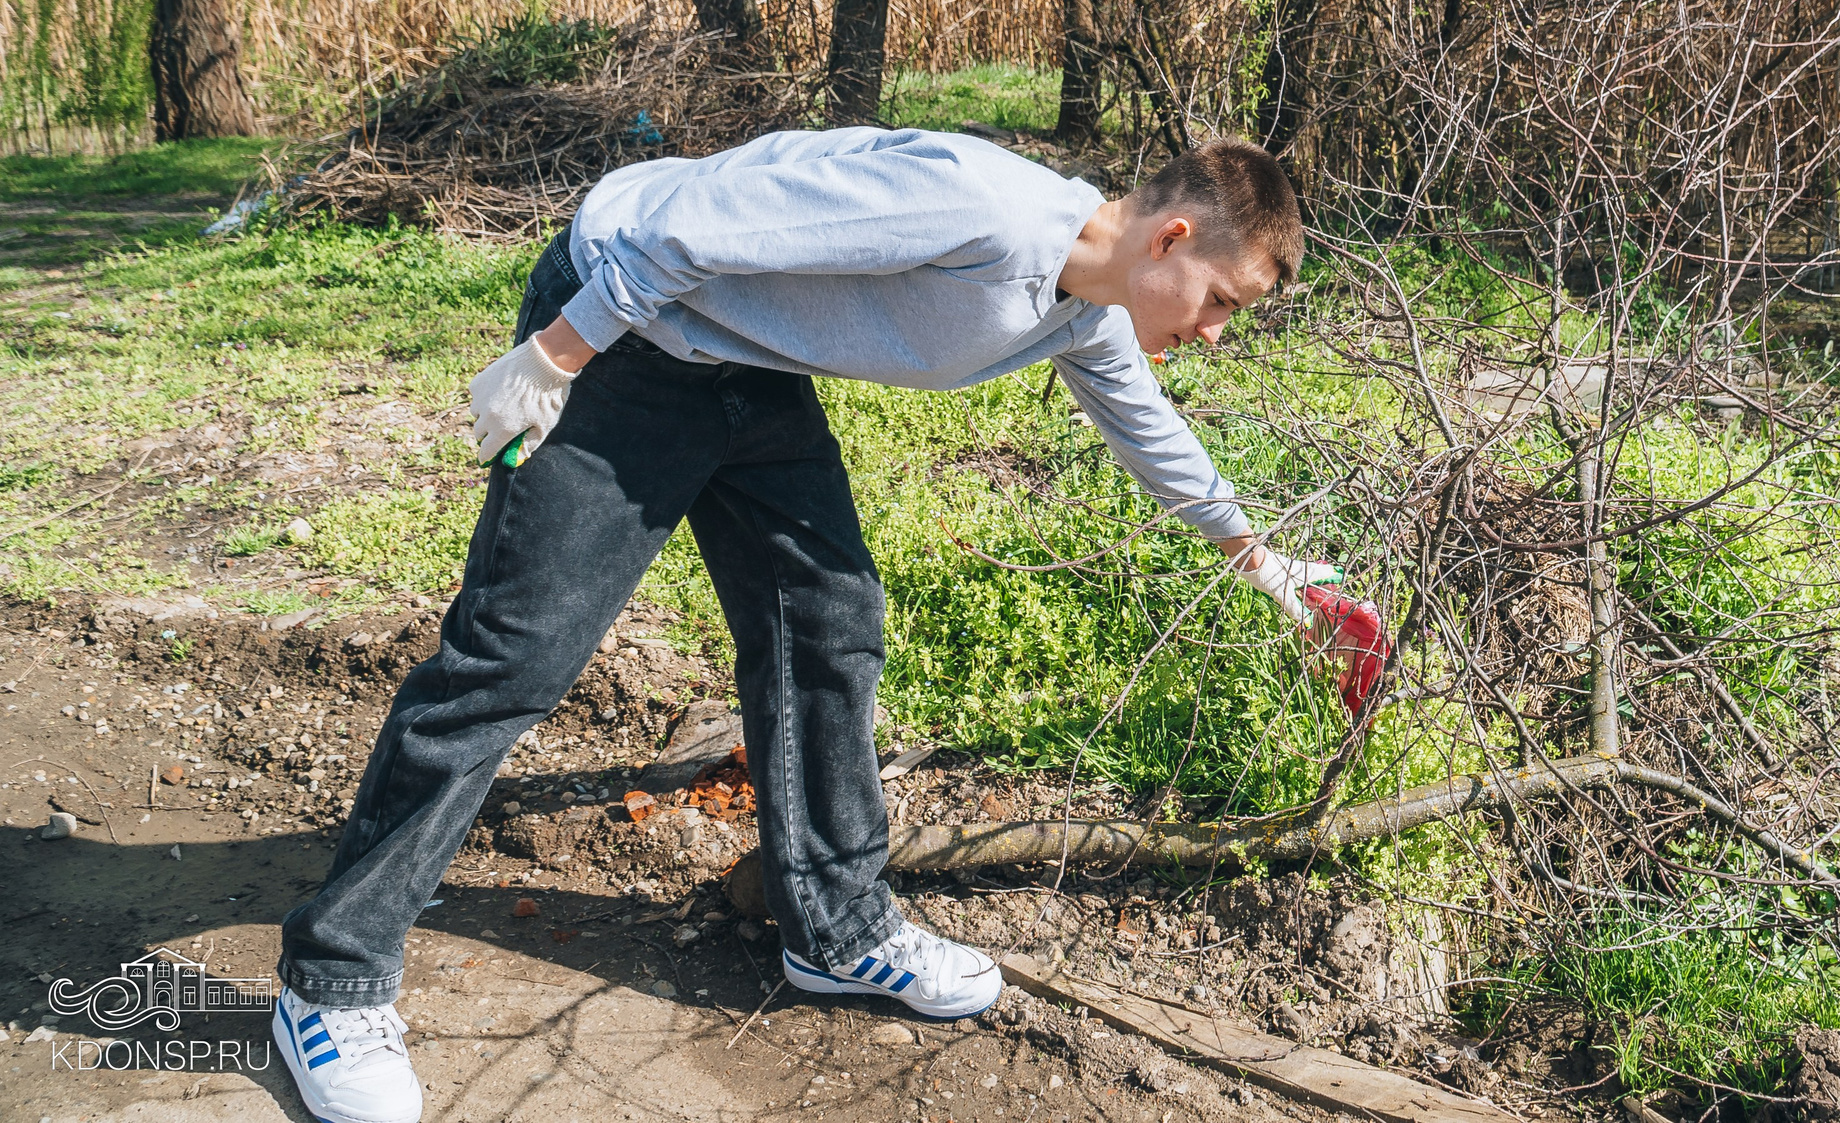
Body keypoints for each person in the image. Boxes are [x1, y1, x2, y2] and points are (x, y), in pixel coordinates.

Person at [269, 129, 1345, 1123]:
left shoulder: (1091, 310)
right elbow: (686, 229)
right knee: (512, 657)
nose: (1210, 335)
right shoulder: (977, 206)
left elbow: (1150, 436)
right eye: (1218, 302)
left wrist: (1267, 565)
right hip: (626, 328)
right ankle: (333, 980)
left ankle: (837, 930)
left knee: (829, 619)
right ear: (1169, 237)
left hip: (745, 363)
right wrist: (556, 355)